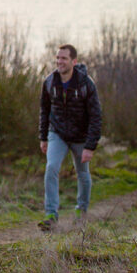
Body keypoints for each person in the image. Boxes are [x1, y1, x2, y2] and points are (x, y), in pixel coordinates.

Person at [38, 44, 102, 231]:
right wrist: (43, 137)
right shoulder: (50, 82)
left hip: (81, 137)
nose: (59, 62)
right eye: (57, 58)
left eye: (64, 58)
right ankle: (51, 215)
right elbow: (44, 111)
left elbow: (96, 116)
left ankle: (81, 211)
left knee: (83, 174)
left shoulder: (86, 84)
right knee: (51, 167)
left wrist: (90, 146)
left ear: (74, 61)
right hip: (57, 134)